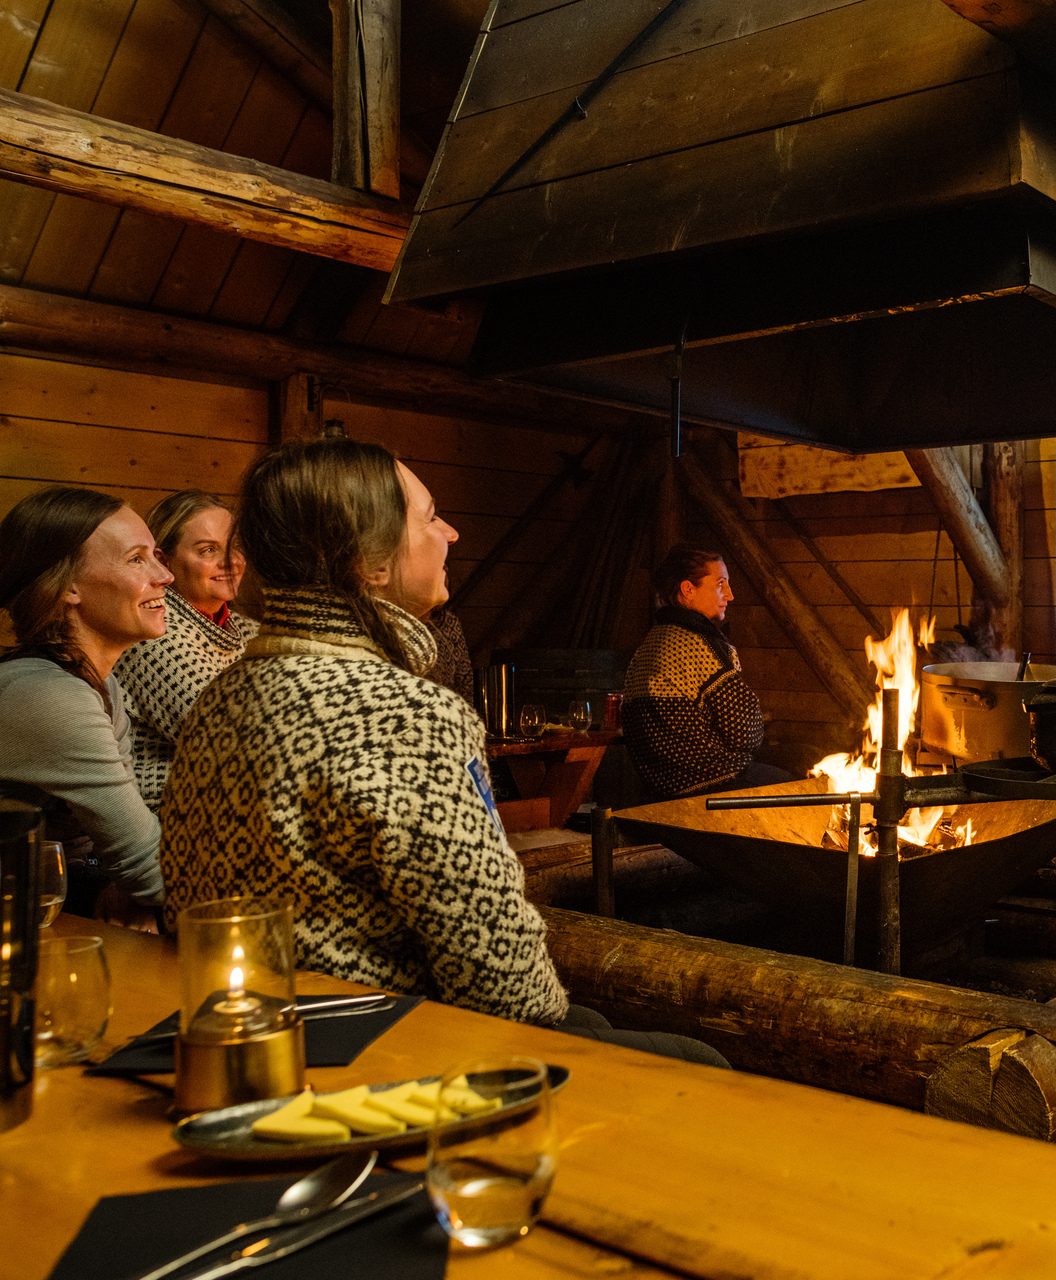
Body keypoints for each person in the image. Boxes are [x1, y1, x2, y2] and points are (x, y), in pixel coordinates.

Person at [160, 440, 725, 1064]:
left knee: (593, 1017)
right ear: (370, 563)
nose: (451, 533)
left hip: (253, 1022)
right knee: (701, 1061)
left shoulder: (222, 695)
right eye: (430, 517)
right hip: (387, 1044)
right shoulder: (405, 714)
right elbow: (501, 975)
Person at [0, 487, 170, 929]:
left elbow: (123, 850)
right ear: (68, 586)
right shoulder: (46, 694)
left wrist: (118, 890)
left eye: (157, 556)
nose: (164, 576)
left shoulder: (102, 684)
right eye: (137, 559)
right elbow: (152, 868)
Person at [114, 491, 259, 806]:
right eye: (209, 550)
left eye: (236, 547)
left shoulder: (246, 629)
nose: (231, 562)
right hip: (168, 816)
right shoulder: (153, 634)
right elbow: (237, 739)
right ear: (164, 562)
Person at [623, 544, 791, 798]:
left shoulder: (650, 644)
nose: (730, 595)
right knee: (799, 774)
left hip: (660, 784)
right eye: (720, 584)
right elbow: (745, 731)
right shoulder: (697, 646)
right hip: (705, 780)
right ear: (688, 589)